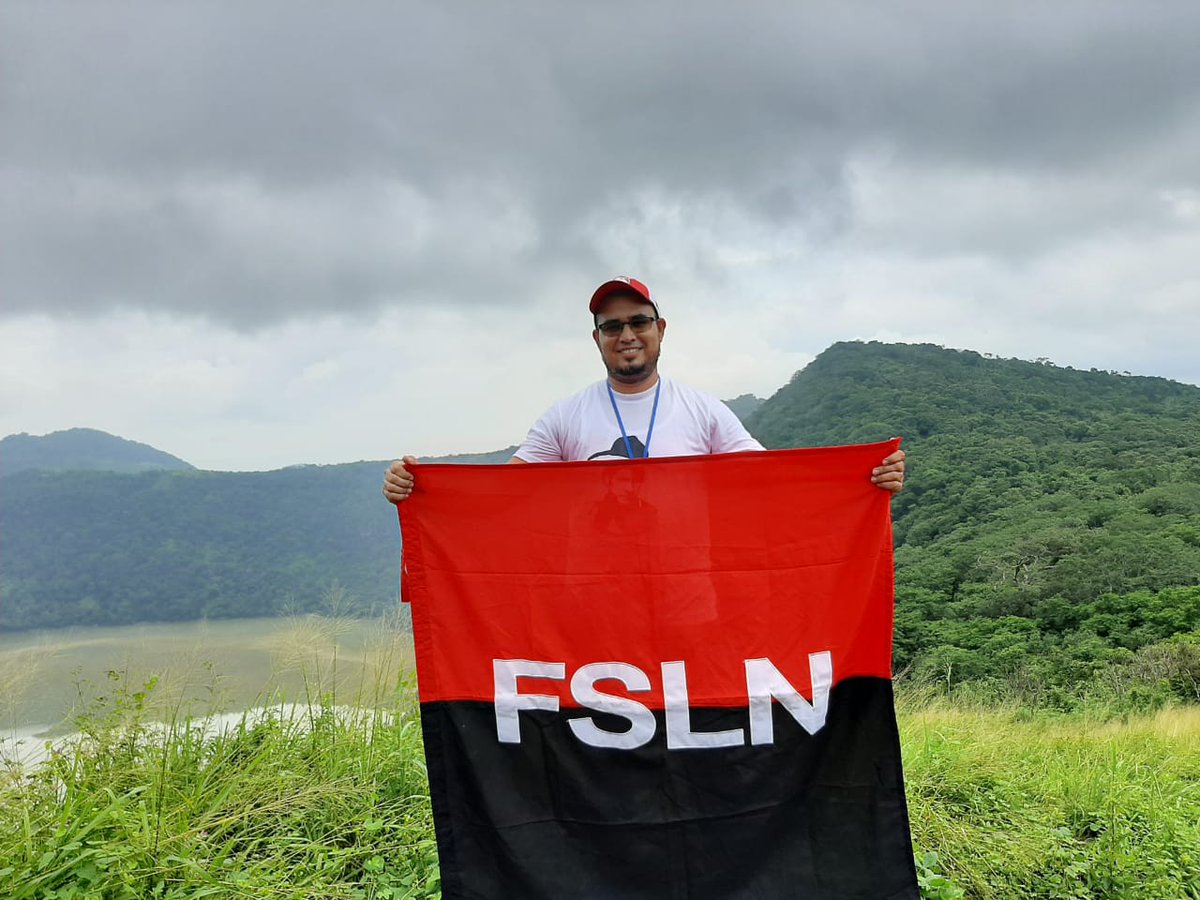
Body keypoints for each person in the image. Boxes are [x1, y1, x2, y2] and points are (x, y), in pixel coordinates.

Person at [383, 276, 905, 501]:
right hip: (592, 592)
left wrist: (861, 481)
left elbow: (770, 482)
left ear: (661, 328)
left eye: (638, 321)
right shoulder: (564, 418)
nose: (627, 335)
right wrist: (423, 489)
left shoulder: (703, 411)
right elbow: (502, 495)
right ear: (596, 338)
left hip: (687, 592)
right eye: (612, 326)